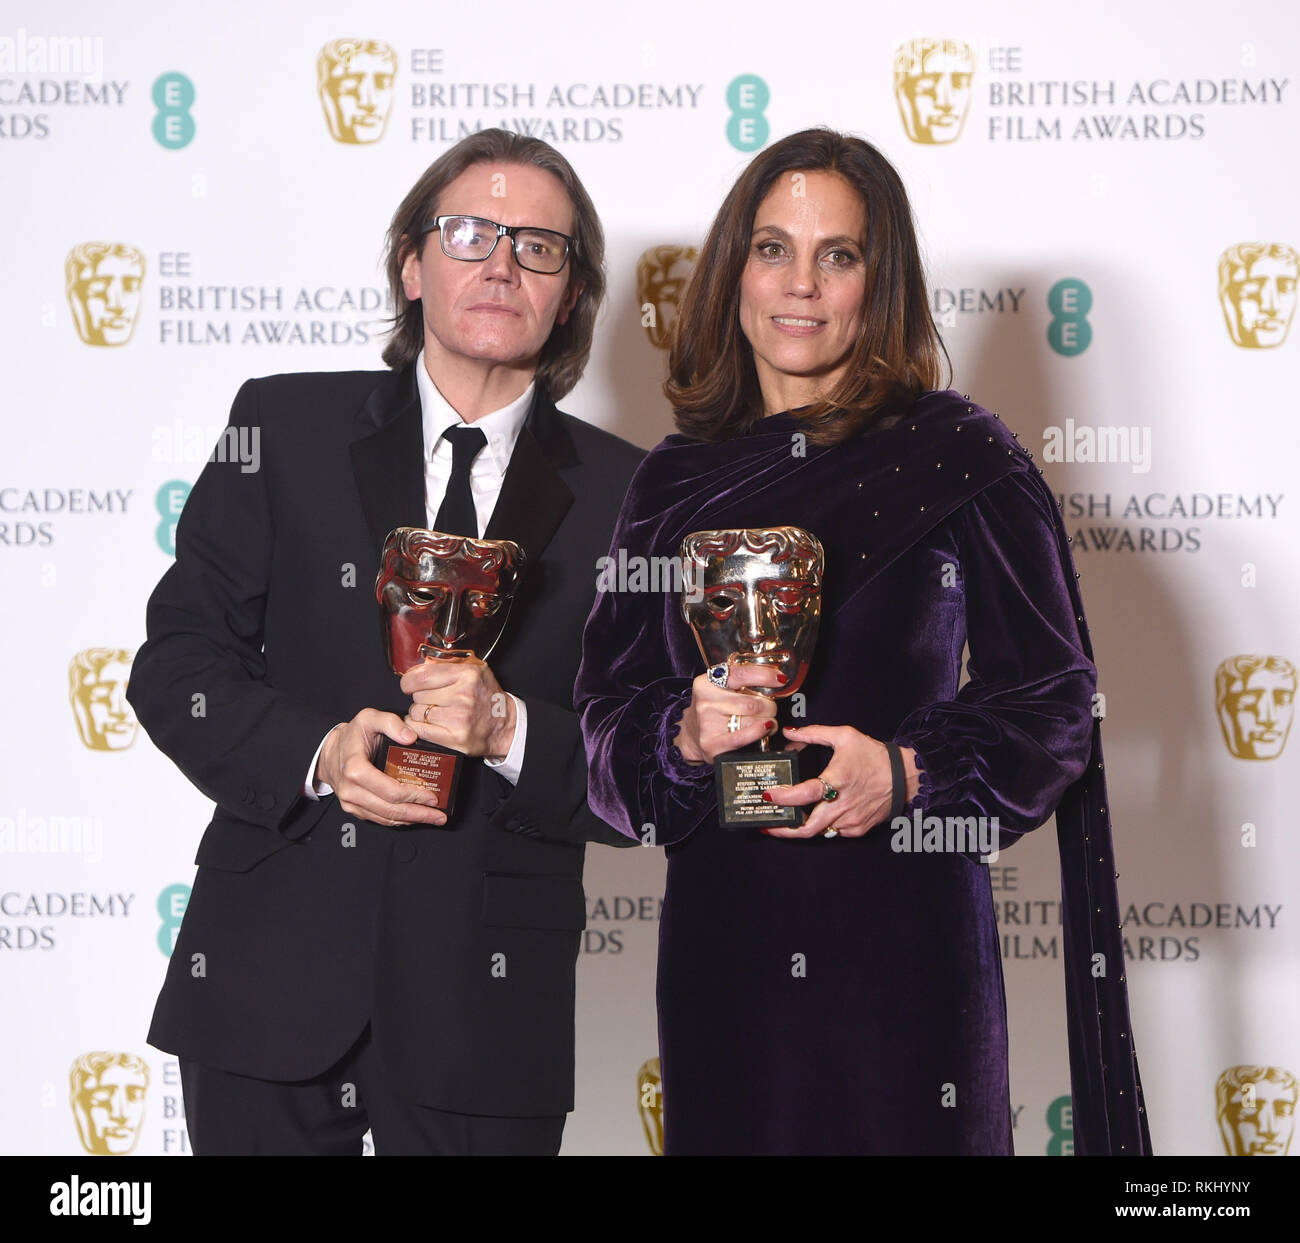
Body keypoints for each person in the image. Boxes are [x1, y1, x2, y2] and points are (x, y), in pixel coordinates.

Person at [576, 128, 1151, 1156]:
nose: (800, 284)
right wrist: (682, 736)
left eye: (837, 255)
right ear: (731, 270)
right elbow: (602, 732)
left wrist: (909, 772)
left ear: (877, 283)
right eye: (771, 249)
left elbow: (1056, 707)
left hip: (905, 944)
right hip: (727, 951)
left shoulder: (958, 456)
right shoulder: (669, 480)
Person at [127, 129, 643, 1155]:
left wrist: (506, 731)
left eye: (540, 245)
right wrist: (316, 755)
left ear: (572, 291)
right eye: (469, 232)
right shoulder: (280, 424)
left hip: (487, 1013)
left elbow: (646, 766)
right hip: (265, 981)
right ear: (412, 263)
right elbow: (177, 665)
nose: (501, 261)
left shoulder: (632, 496)